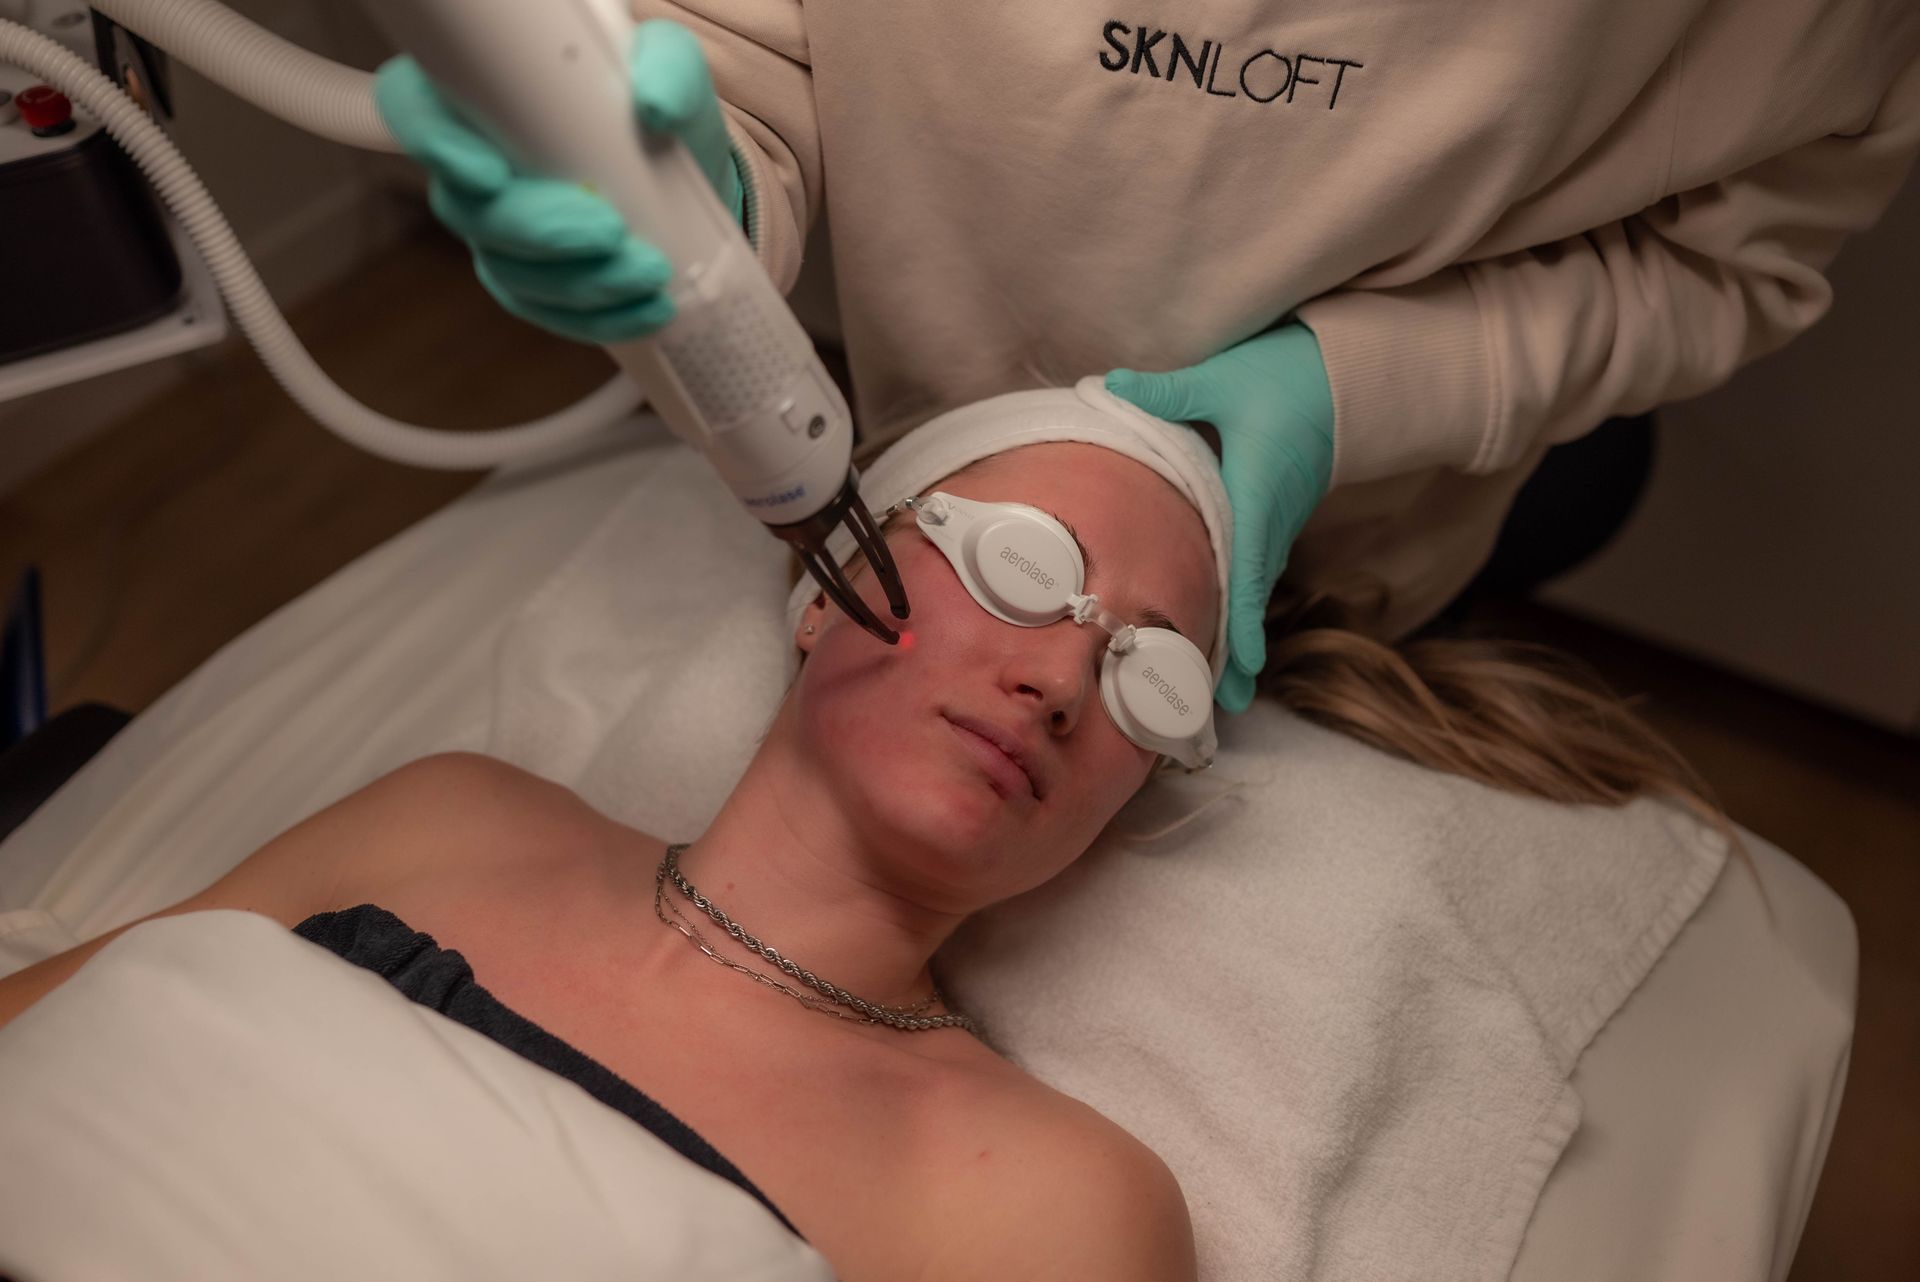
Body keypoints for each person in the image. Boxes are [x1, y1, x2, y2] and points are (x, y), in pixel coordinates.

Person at [0, 388, 1728, 1281]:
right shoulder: (462, 816)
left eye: (1149, 675)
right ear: (827, 588)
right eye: (1024, 568)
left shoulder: (1049, 1199)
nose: (1063, 676)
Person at [375, 4, 1920, 711]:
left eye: (1145, 695)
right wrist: (691, 184)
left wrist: (1367, 390)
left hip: (1378, 549)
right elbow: (730, 35)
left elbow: (1733, 260)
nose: (1057, 676)